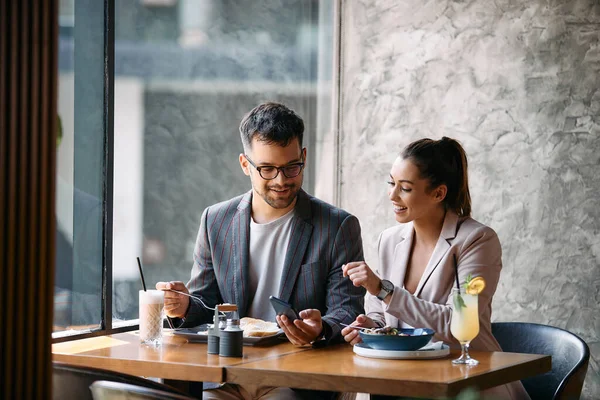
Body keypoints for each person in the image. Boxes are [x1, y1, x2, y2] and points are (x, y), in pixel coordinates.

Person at [157, 102, 366, 400]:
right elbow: (206, 303)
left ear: (304, 157)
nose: (281, 180)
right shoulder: (215, 220)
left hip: (297, 378)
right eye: (267, 169)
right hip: (225, 376)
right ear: (245, 165)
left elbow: (349, 311)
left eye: (292, 167)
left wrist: (320, 330)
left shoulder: (337, 226)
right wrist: (184, 306)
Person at [341, 137, 530, 400]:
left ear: (438, 193)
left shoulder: (477, 240)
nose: (392, 195)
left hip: (465, 385)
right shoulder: (390, 239)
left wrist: (383, 289)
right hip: (401, 381)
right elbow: (385, 317)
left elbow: (459, 323)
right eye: (391, 183)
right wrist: (369, 326)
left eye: (405, 188)